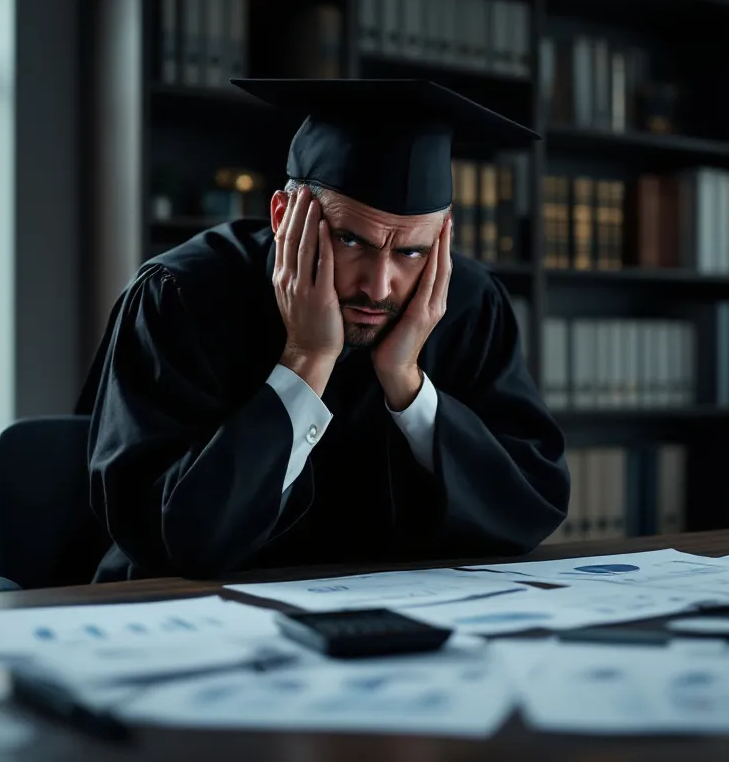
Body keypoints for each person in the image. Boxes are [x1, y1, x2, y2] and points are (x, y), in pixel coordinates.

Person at [78, 79, 569, 580]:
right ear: (282, 215)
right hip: (188, 617)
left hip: (386, 616)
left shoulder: (469, 305)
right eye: (351, 240)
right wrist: (307, 361)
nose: (379, 287)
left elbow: (531, 509)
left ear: (443, 237)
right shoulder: (179, 296)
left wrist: (406, 382)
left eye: (411, 251)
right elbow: (172, 541)